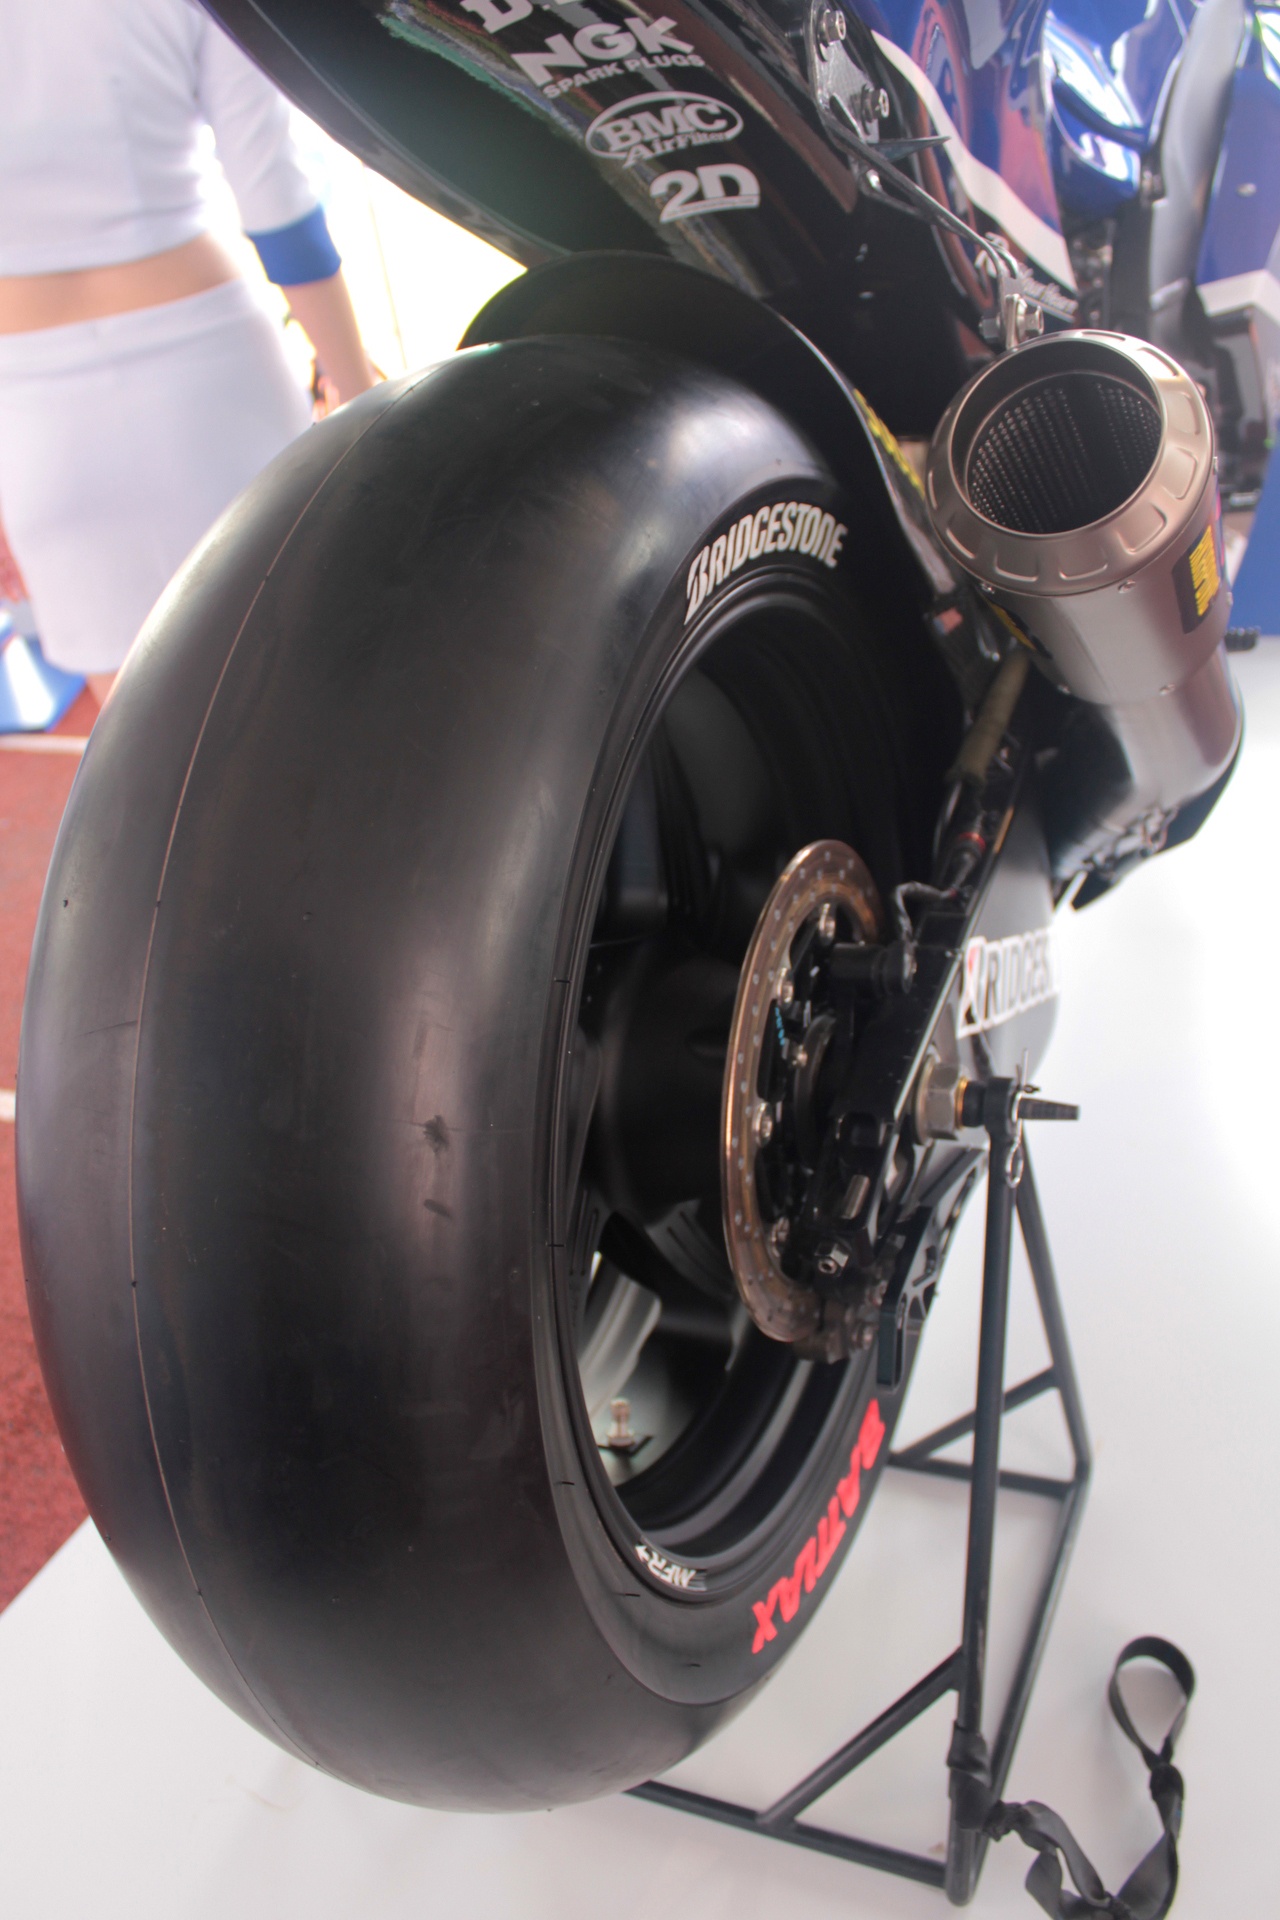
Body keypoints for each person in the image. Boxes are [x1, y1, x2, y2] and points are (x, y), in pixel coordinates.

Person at [0, 0, 375, 709]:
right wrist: (366, 405)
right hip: (215, 383)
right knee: (318, 706)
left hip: (34, 422)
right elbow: (280, 205)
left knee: (145, 756)